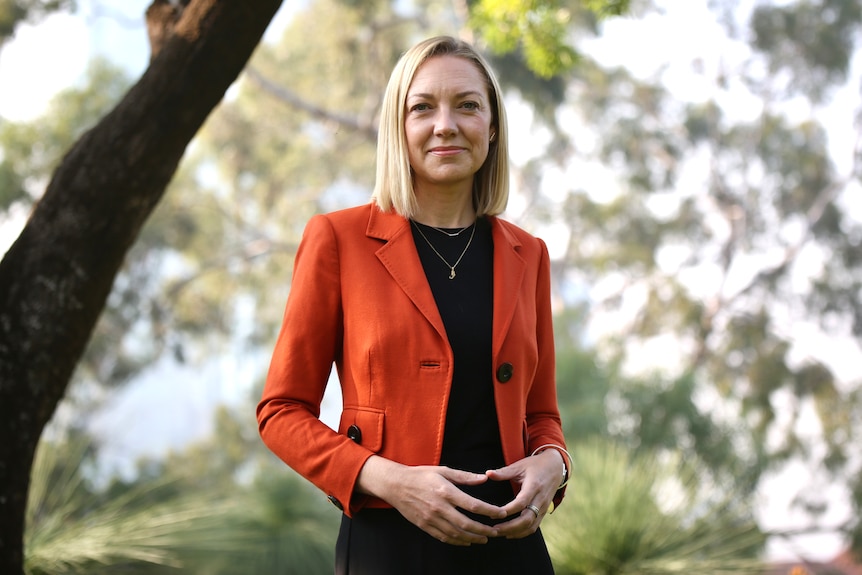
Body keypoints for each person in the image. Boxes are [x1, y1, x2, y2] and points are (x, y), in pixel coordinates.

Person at [257, 35, 571, 574]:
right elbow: (280, 413)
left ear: (492, 128)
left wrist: (554, 464)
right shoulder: (338, 239)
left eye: (468, 105)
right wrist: (391, 480)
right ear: (397, 129)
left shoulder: (529, 254)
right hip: (388, 545)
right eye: (422, 107)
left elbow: (541, 414)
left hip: (513, 549)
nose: (445, 124)